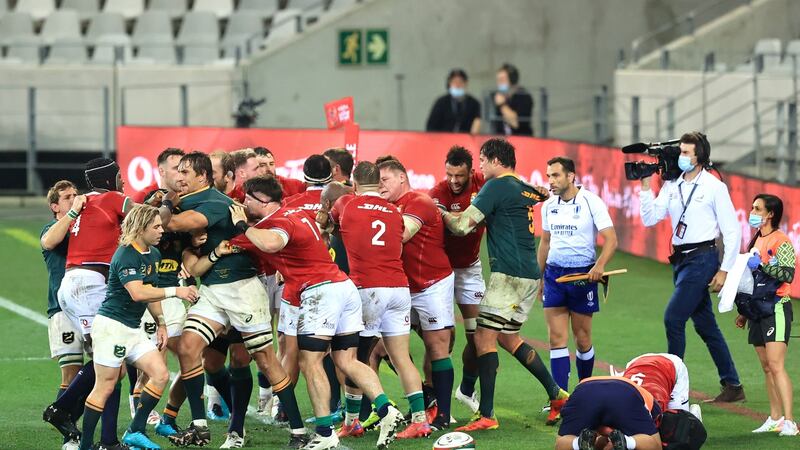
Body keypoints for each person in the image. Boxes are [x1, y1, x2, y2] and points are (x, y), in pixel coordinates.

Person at [229, 176, 405, 450]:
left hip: (320, 292)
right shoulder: (295, 212)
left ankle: (325, 433)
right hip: (343, 286)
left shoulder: (279, 222)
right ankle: (386, 409)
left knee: (310, 362)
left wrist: (240, 225)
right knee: (347, 360)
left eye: (247, 199)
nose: (243, 203)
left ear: (263, 202)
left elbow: (273, 243)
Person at [163, 152, 307, 448]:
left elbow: (173, 224)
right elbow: (189, 258)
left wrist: (166, 201)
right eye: (177, 172)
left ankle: (297, 430)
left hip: (242, 290)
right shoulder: (194, 200)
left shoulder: (215, 203)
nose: (179, 177)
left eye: (185, 172)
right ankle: (200, 425)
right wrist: (191, 246)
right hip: (214, 290)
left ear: (202, 177)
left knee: (263, 359)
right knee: (190, 347)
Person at [439, 138, 568, 431]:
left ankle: (487, 415)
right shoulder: (523, 187)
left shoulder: (496, 186)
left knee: (484, 338)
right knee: (509, 339)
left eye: (482, 161)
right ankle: (557, 394)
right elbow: (539, 195)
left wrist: (439, 211)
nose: (480, 168)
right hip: (529, 275)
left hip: (508, 276)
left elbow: (461, 226)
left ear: (496, 160)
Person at [78, 204, 199, 450]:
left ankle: (134, 431)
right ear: (140, 227)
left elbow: (151, 294)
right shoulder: (125, 254)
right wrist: (177, 291)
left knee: (160, 373)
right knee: (106, 386)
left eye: (160, 226)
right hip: (112, 328)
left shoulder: (153, 254)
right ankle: (85, 445)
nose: (161, 230)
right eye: (155, 226)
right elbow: (137, 292)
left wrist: (161, 323)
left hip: (133, 329)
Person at [43, 158, 145, 449]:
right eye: (119, 176)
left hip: (76, 287)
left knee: (110, 363)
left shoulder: (87, 207)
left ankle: (104, 437)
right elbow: (144, 217)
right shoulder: (113, 198)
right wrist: (165, 205)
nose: (123, 181)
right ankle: (64, 411)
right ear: (109, 178)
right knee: (109, 362)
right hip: (89, 286)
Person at [639, 131, 745, 402]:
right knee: (706, 325)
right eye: (681, 152)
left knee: (673, 319)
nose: (681, 157)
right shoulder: (673, 185)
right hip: (681, 259)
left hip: (703, 257)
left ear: (700, 157)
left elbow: (732, 231)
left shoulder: (713, 186)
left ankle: (674, 389)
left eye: (687, 152)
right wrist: (643, 186)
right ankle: (733, 385)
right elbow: (651, 218)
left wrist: (724, 270)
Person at [335, 161, 432, 439]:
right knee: (401, 357)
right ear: (379, 184)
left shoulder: (347, 203)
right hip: (399, 288)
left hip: (369, 289)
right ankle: (420, 420)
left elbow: (329, 217)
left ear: (354, 184)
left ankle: (353, 420)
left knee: (355, 358)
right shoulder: (394, 210)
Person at [378, 157, 456, 430]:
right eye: (376, 182)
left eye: (384, 180)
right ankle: (424, 396)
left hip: (432, 284)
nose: (380, 186)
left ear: (402, 177)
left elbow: (403, 234)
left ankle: (444, 415)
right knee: (383, 346)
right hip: (401, 286)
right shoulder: (384, 205)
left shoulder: (419, 202)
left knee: (437, 347)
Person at [538, 157, 617, 391]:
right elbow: (545, 243)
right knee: (556, 339)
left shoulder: (591, 202)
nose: (550, 181)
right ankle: (559, 397)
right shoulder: (548, 206)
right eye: (548, 176)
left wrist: (599, 266)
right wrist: (538, 277)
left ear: (571, 176)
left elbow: (611, 239)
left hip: (583, 276)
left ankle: (584, 392)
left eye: (555, 175)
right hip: (554, 276)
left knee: (582, 339)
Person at [428, 146, 485, 414]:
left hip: (470, 270)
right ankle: (437, 403)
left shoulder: (484, 185)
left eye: (459, 175)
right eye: (449, 174)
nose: (453, 180)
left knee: (478, 337)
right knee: (442, 340)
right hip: (441, 273)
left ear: (471, 172)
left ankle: (465, 388)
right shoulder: (437, 193)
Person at [737, 194, 797, 436]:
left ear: (770, 214)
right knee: (766, 367)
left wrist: (761, 265)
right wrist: (744, 313)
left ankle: (790, 422)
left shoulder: (781, 241)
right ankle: (775, 418)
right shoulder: (755, 241)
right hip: (758, 310)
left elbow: (788, 274)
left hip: (777, 307)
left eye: (757, 208)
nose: (752, 211)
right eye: (752, 207)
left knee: (776, 365)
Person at [40, 180, 85, 449]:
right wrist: (72, 213)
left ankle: (63, 415)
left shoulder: (83, 228)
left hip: (91, 309)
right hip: (62, 310)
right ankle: (70, 435)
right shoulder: (52, 228)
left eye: (76, 195)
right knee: (71, 373)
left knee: (110, 370)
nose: (74, 199)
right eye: (67, 197)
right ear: (55, 206)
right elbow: (49, 242)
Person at [554, 376, 662, 450]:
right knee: (656, 446)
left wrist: (596, 442)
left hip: (585, 390)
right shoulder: (652, 404)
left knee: (562, 442)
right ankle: (626, 441)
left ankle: (578, 443)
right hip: (625, 393)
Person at [426, 69, 482, 134]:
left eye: (460, 82)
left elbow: (478, 124)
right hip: (444, 139)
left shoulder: (474, 103)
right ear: (449, 84)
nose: (457, 85)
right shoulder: (441, 102)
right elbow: (430, 127)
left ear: (466, 83)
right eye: (454, 82)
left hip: (466, 140)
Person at [491, 63, 533, 136]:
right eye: (498, 80)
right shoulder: (496, 96)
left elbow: (515, 123)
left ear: (512, 80)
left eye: (502, 80)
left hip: (521, 139)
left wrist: (502, 105)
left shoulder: (524, 97)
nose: (499, 84)